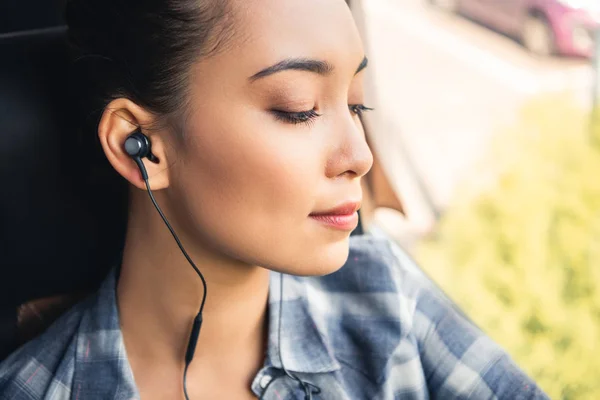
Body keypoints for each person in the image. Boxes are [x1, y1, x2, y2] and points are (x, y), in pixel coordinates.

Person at [0, 0, 549, 399]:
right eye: (299, 108)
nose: (359, 156)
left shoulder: (385, 298)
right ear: (140, 147)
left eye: (357, 105)